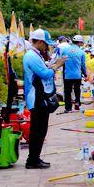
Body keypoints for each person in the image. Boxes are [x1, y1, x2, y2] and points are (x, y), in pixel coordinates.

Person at [24, 29, 66, 169]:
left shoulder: (36, 54)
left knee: (41, 130)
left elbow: (44, 70)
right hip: (36, 98)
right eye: (46, 44)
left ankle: (35, 158)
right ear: (40, 42)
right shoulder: (32, 56)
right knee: (38, 130)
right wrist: (57, 65)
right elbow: (45, 74)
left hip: (40, 97)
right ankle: (32, 160)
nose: (47, 47)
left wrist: (53, 65)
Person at [61, 35, 87, 112]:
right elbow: (83, 65)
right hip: (77, 75)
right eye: (82, 42)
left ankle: (68, 108)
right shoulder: (81, 52)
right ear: (79, 42)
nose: (82, 44)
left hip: (67, 75)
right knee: (77, 90)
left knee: (67, 92)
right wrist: (85, 74)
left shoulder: (65, 50)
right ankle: (77, 102)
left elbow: (61, 61)